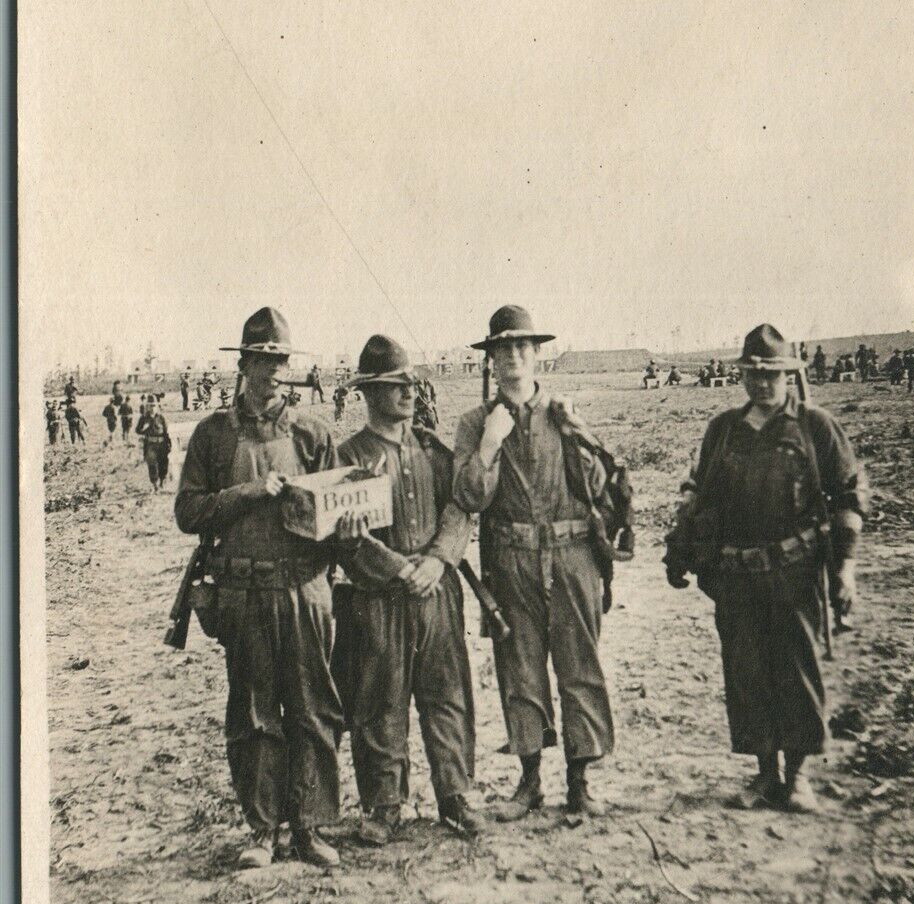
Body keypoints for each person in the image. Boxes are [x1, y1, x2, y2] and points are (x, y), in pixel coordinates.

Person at [663, 324, 866, 813]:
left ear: (789, 374)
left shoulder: (815, 427)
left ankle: (797, 779)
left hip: (795, 574)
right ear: (742, 376)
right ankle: (763, 775)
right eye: (753, 373)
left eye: (772, 373)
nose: (762, 383)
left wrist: (845, 569)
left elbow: (848, 498)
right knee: (746, 673)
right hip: (736, 578)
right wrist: (681, 552)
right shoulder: (724, 429)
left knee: (796, 671)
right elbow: (698, 497)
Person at [174, 307, 344, 870]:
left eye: (280, 361)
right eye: (261, 360)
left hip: (306, 589)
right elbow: (189, 512)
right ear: (243, 364)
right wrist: (250, 493)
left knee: (313, 709)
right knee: (253, 714)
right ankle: (261, 830)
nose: (272, 371)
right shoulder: (213, 436)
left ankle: (312, 828)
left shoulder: (314, 433)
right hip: (243, 594)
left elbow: (343, 515)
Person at [453, 305, 615, 819]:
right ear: (491, 361)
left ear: (538, 356)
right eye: (504, 349)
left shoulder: (564, 414)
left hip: (571, 558)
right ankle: (529, 783)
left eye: (523, 348)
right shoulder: (475, 423)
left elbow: (599, 491)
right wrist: (490, 443)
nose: (514, 357)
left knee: (578, 664)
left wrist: (580, 437)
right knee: (519, 669)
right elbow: (470, 497)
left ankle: (580, 780)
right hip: (511, 561)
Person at [333, 335, 481, 845]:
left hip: (437, 592)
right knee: (381, 699)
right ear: (369, 392)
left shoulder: (433, 450)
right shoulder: (347, 457)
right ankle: (383, 804)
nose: (408, 393)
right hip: (379, 599)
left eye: (411, 383)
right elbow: (346, 541)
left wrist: (439, 559)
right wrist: (399, 568)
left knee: (447, 693)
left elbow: (459, 509)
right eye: (395, 385)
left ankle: (455, 796)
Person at [135, 394, 171, 491]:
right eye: (150, 405)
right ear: (147, 407)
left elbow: (167, 432)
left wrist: (169, 444)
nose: (152, 408)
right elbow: (137, 430)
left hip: (162, 444)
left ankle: (162, 481)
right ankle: (155, 483)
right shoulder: (143, 418)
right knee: (152, 463)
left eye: (154, 405)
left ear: (157, 406)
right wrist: (144, 429)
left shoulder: (161, 418)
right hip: (150, 444)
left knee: (163, 463)